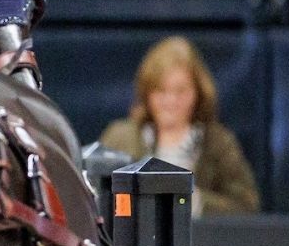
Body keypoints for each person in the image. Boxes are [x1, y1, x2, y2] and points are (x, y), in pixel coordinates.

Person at [98, 36, 259, 216]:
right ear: (147, 93)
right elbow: (94, 197)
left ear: (198, 93)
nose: (170, 101)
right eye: (161, 91)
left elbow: (247, 207)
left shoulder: (218, 142)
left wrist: (194, 201)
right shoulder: (120, 137)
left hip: (199, 241)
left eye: (180, 91)